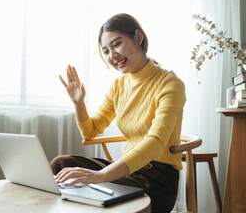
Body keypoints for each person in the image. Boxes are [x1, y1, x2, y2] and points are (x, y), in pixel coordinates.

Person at [51, 13, 186, 212]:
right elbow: (90, 131)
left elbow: (156, 142)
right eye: (105, 50)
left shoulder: (170, 84)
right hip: (130, 170)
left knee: (96, 184)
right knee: (61, 164)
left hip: (157, 179)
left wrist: (102, 175)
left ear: (138, 37)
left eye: (116, 44)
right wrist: (79, 103)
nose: (112, 55)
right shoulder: (119, 86)